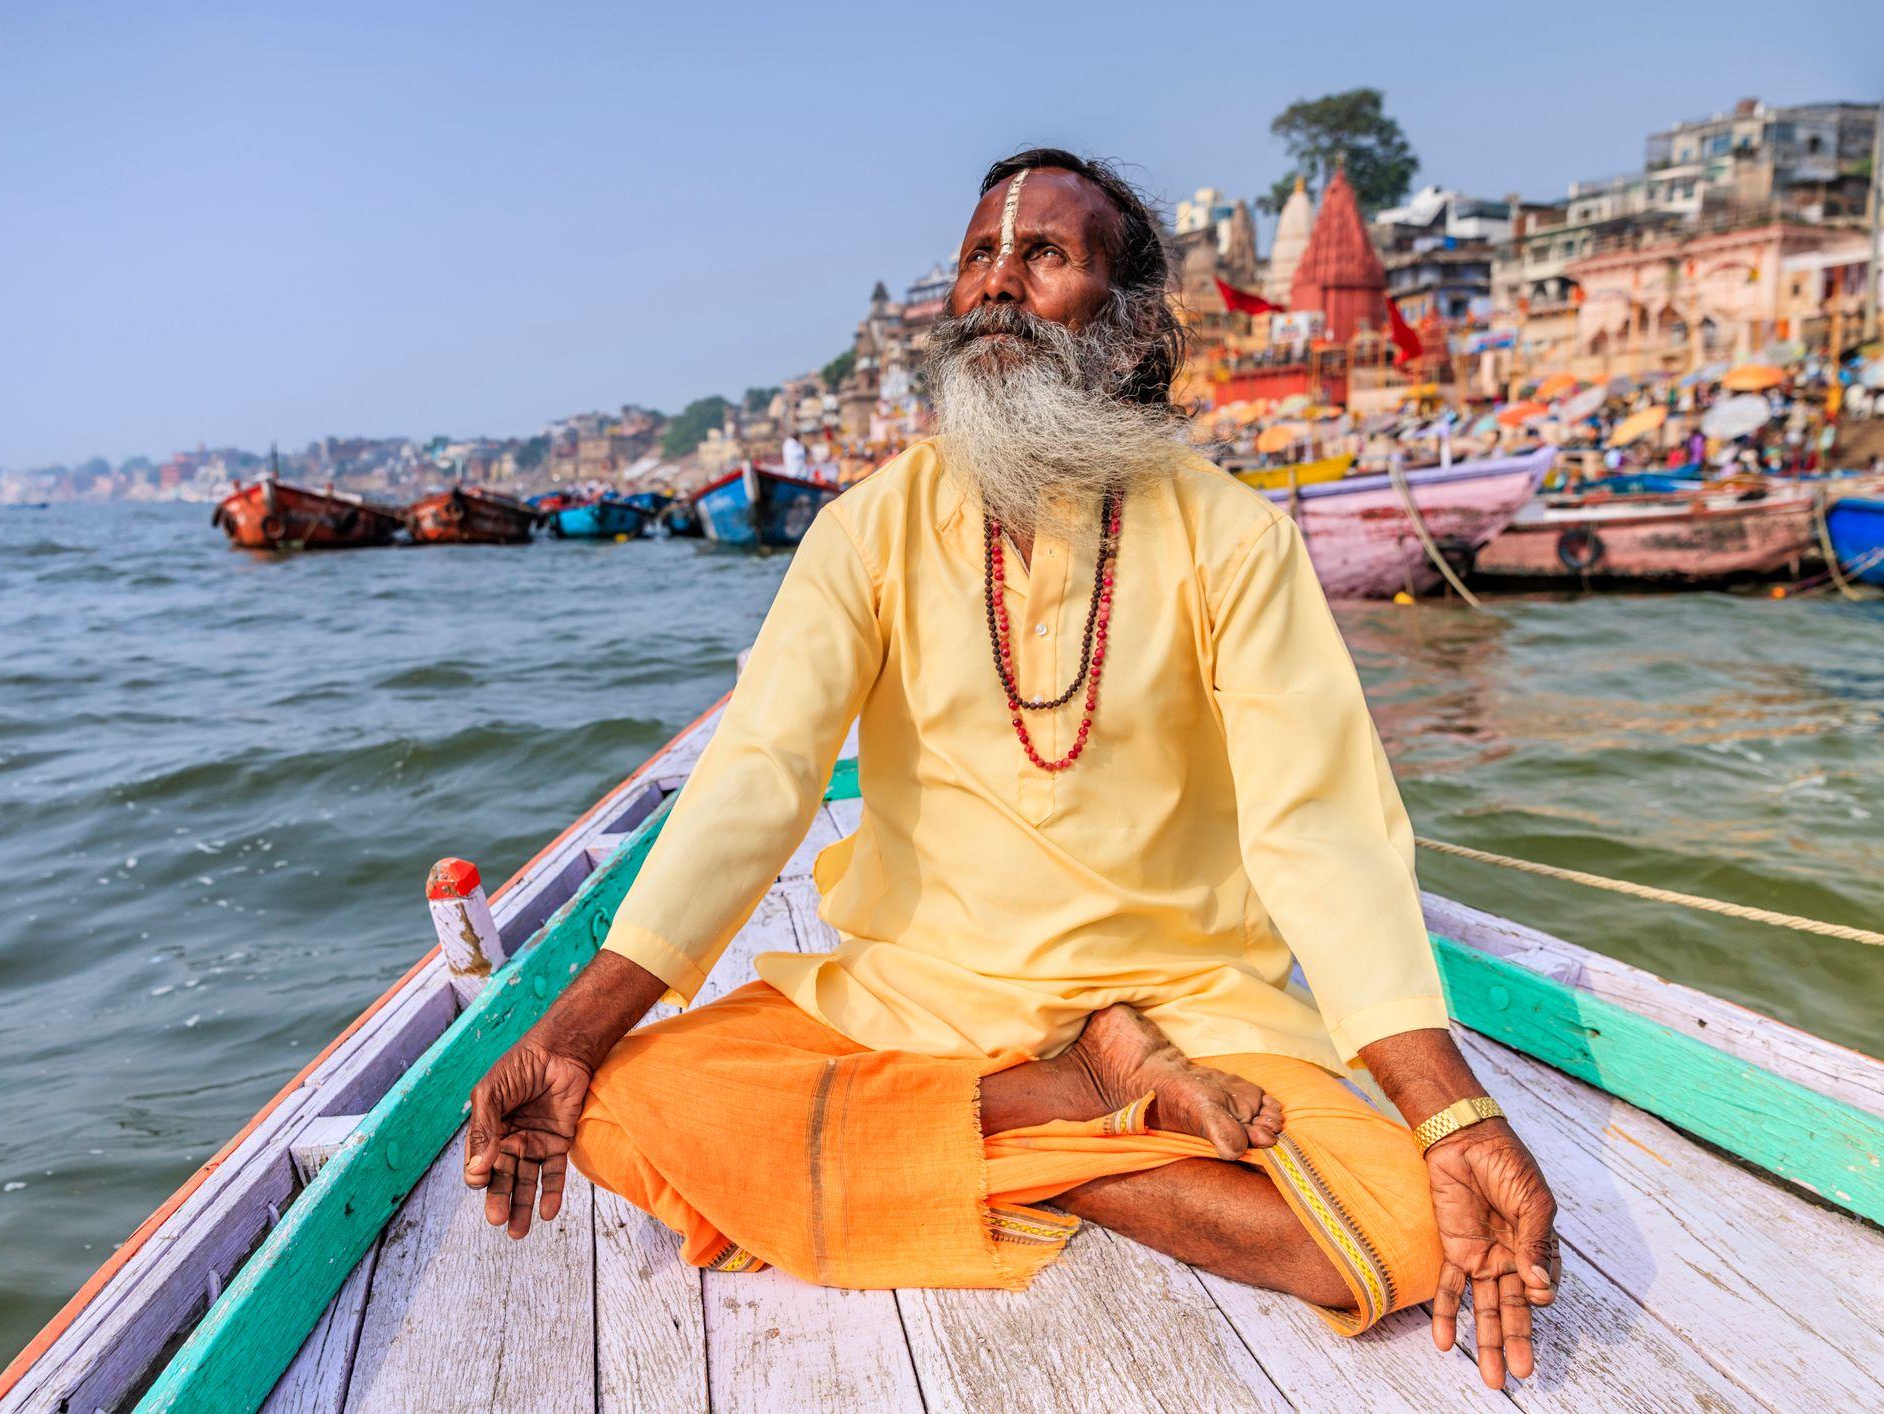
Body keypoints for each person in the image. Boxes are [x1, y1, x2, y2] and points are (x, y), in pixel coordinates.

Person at [463, 149, 1561, 1392]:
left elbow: (1324, 833)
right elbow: (758, 777)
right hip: (921, 999)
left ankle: (1055, 1099)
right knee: (617, 1101)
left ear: (1127, 321)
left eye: (1042, 256)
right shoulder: (867, 529)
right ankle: (1081, 1102)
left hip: (1189, 999)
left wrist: (1451, 1113)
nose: (995, 285)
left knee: (1409, 1227)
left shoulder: (1234, 540)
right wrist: (570, 1029)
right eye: (979, 256)